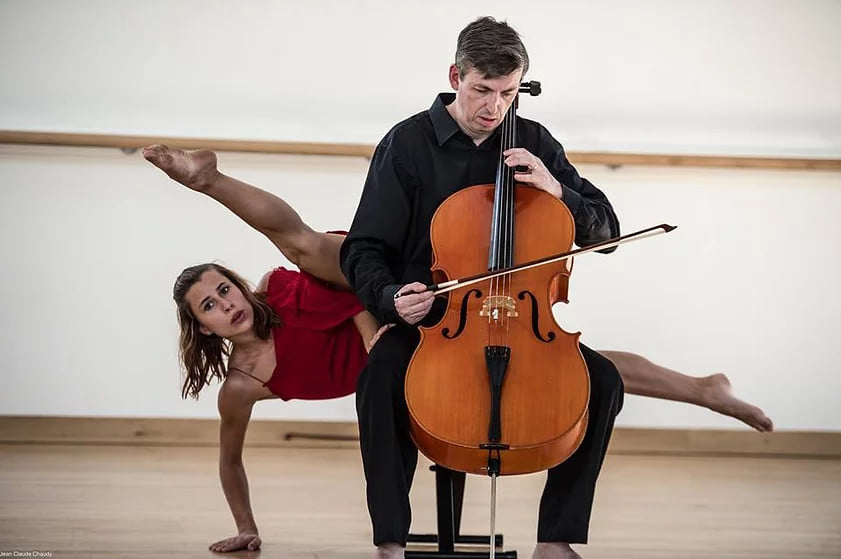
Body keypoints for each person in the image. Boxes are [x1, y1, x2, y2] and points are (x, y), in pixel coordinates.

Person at [143, 143, 772, 555]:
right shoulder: (241, 388)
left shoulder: (284, 296)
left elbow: (352, 296)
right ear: (202, 328)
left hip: (395, 311)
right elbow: (231, 461)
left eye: (224, 288)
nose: (226, 303)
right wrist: (247, 527)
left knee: (303, 245)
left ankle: (210, 179)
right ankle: (702, 387)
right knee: (559, 359)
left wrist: (379, 326)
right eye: (210, 306)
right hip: (415, 356)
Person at [340, 16, 766, 559]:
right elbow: (362, 249)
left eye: (508, 94)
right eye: (482, 91)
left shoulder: (535, 141)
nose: (495, 108)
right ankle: (390, 543)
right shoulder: (406, 145)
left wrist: (557, 189)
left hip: (524, 321)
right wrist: (392, 296)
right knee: (379, 381)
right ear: (455, 75)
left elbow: (606, 232)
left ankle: (555, 540)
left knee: (605, 381)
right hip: (434, 322)